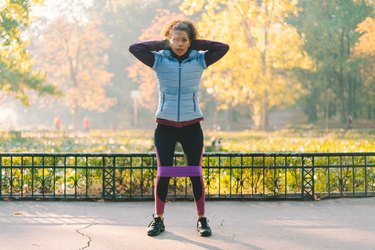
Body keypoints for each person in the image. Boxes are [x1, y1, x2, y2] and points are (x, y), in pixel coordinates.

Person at [129, 20, 229, 237]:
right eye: (176, 39)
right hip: (165, 125)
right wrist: (164, 44)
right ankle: (158, 219)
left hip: (192, 124)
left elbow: (223, 47)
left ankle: (202, 220)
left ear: (190, 41)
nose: (180, 44)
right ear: (169, 39)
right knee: (163, 172)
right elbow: (135, 48)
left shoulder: (200, 60)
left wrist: (195, 44)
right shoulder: (159, 61)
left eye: (185, 40)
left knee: (195, 172)